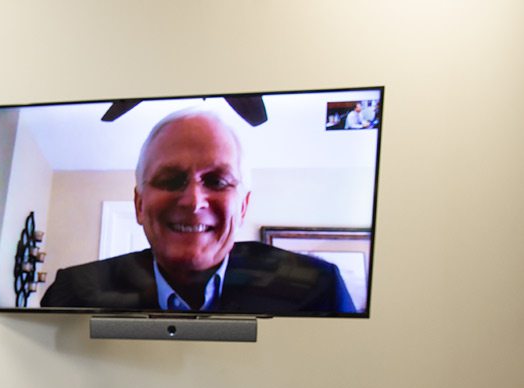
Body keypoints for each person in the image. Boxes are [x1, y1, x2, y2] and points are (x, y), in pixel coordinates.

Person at [40, 110, 356, 314]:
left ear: (243, 206)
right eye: (170, 180)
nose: (193, 201)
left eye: (217, 180)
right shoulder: (75, 293)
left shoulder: (318, 289)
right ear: (138, 205)